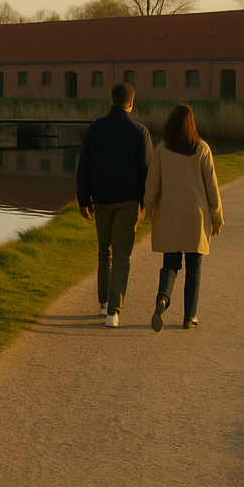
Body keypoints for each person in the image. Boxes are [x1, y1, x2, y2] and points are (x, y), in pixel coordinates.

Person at [76, 83, 153, 328]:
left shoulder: (96, 129)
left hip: (101, 200)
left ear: (112, 100)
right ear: (131, 102)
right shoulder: (140, 132)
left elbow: (84, 166)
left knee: (104, 250)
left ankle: (102, 303)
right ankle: (113, 311)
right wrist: (145, 202)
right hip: (127, 201)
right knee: (121, 255)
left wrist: (83, 199)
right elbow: (146, 171)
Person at [143, 104, 224, 331]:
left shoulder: (161, 150)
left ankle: (163, 298)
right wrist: (217, 218)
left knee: (170, 265)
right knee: (194, 269)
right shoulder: (202, 149)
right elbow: (212, 188)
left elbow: (152, 186)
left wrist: (146, 210)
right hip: (195, 219)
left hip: (169, 217)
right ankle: (190, 317)